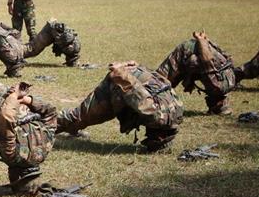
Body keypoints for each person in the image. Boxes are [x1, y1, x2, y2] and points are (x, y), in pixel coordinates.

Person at [56, 61, 184, 152]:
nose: (147, 135)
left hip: (135, 76)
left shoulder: (177, 112)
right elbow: (134, 90)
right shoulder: (155, 116)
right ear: (160, 136)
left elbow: (164, 83)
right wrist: (121, 72)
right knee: (81, 116)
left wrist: (136, 67)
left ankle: (68, 127)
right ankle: (42, 125)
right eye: (151, 138)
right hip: (119, 82)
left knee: (80, 118)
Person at [155, 31, 237, 115]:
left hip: (216, 78)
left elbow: (207, 61)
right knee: (202, 66)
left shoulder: (187, 49)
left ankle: (154, 97)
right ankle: (220, 107)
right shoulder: (228, 78)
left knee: (159, 82)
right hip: (228, 77)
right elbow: (228, 59)